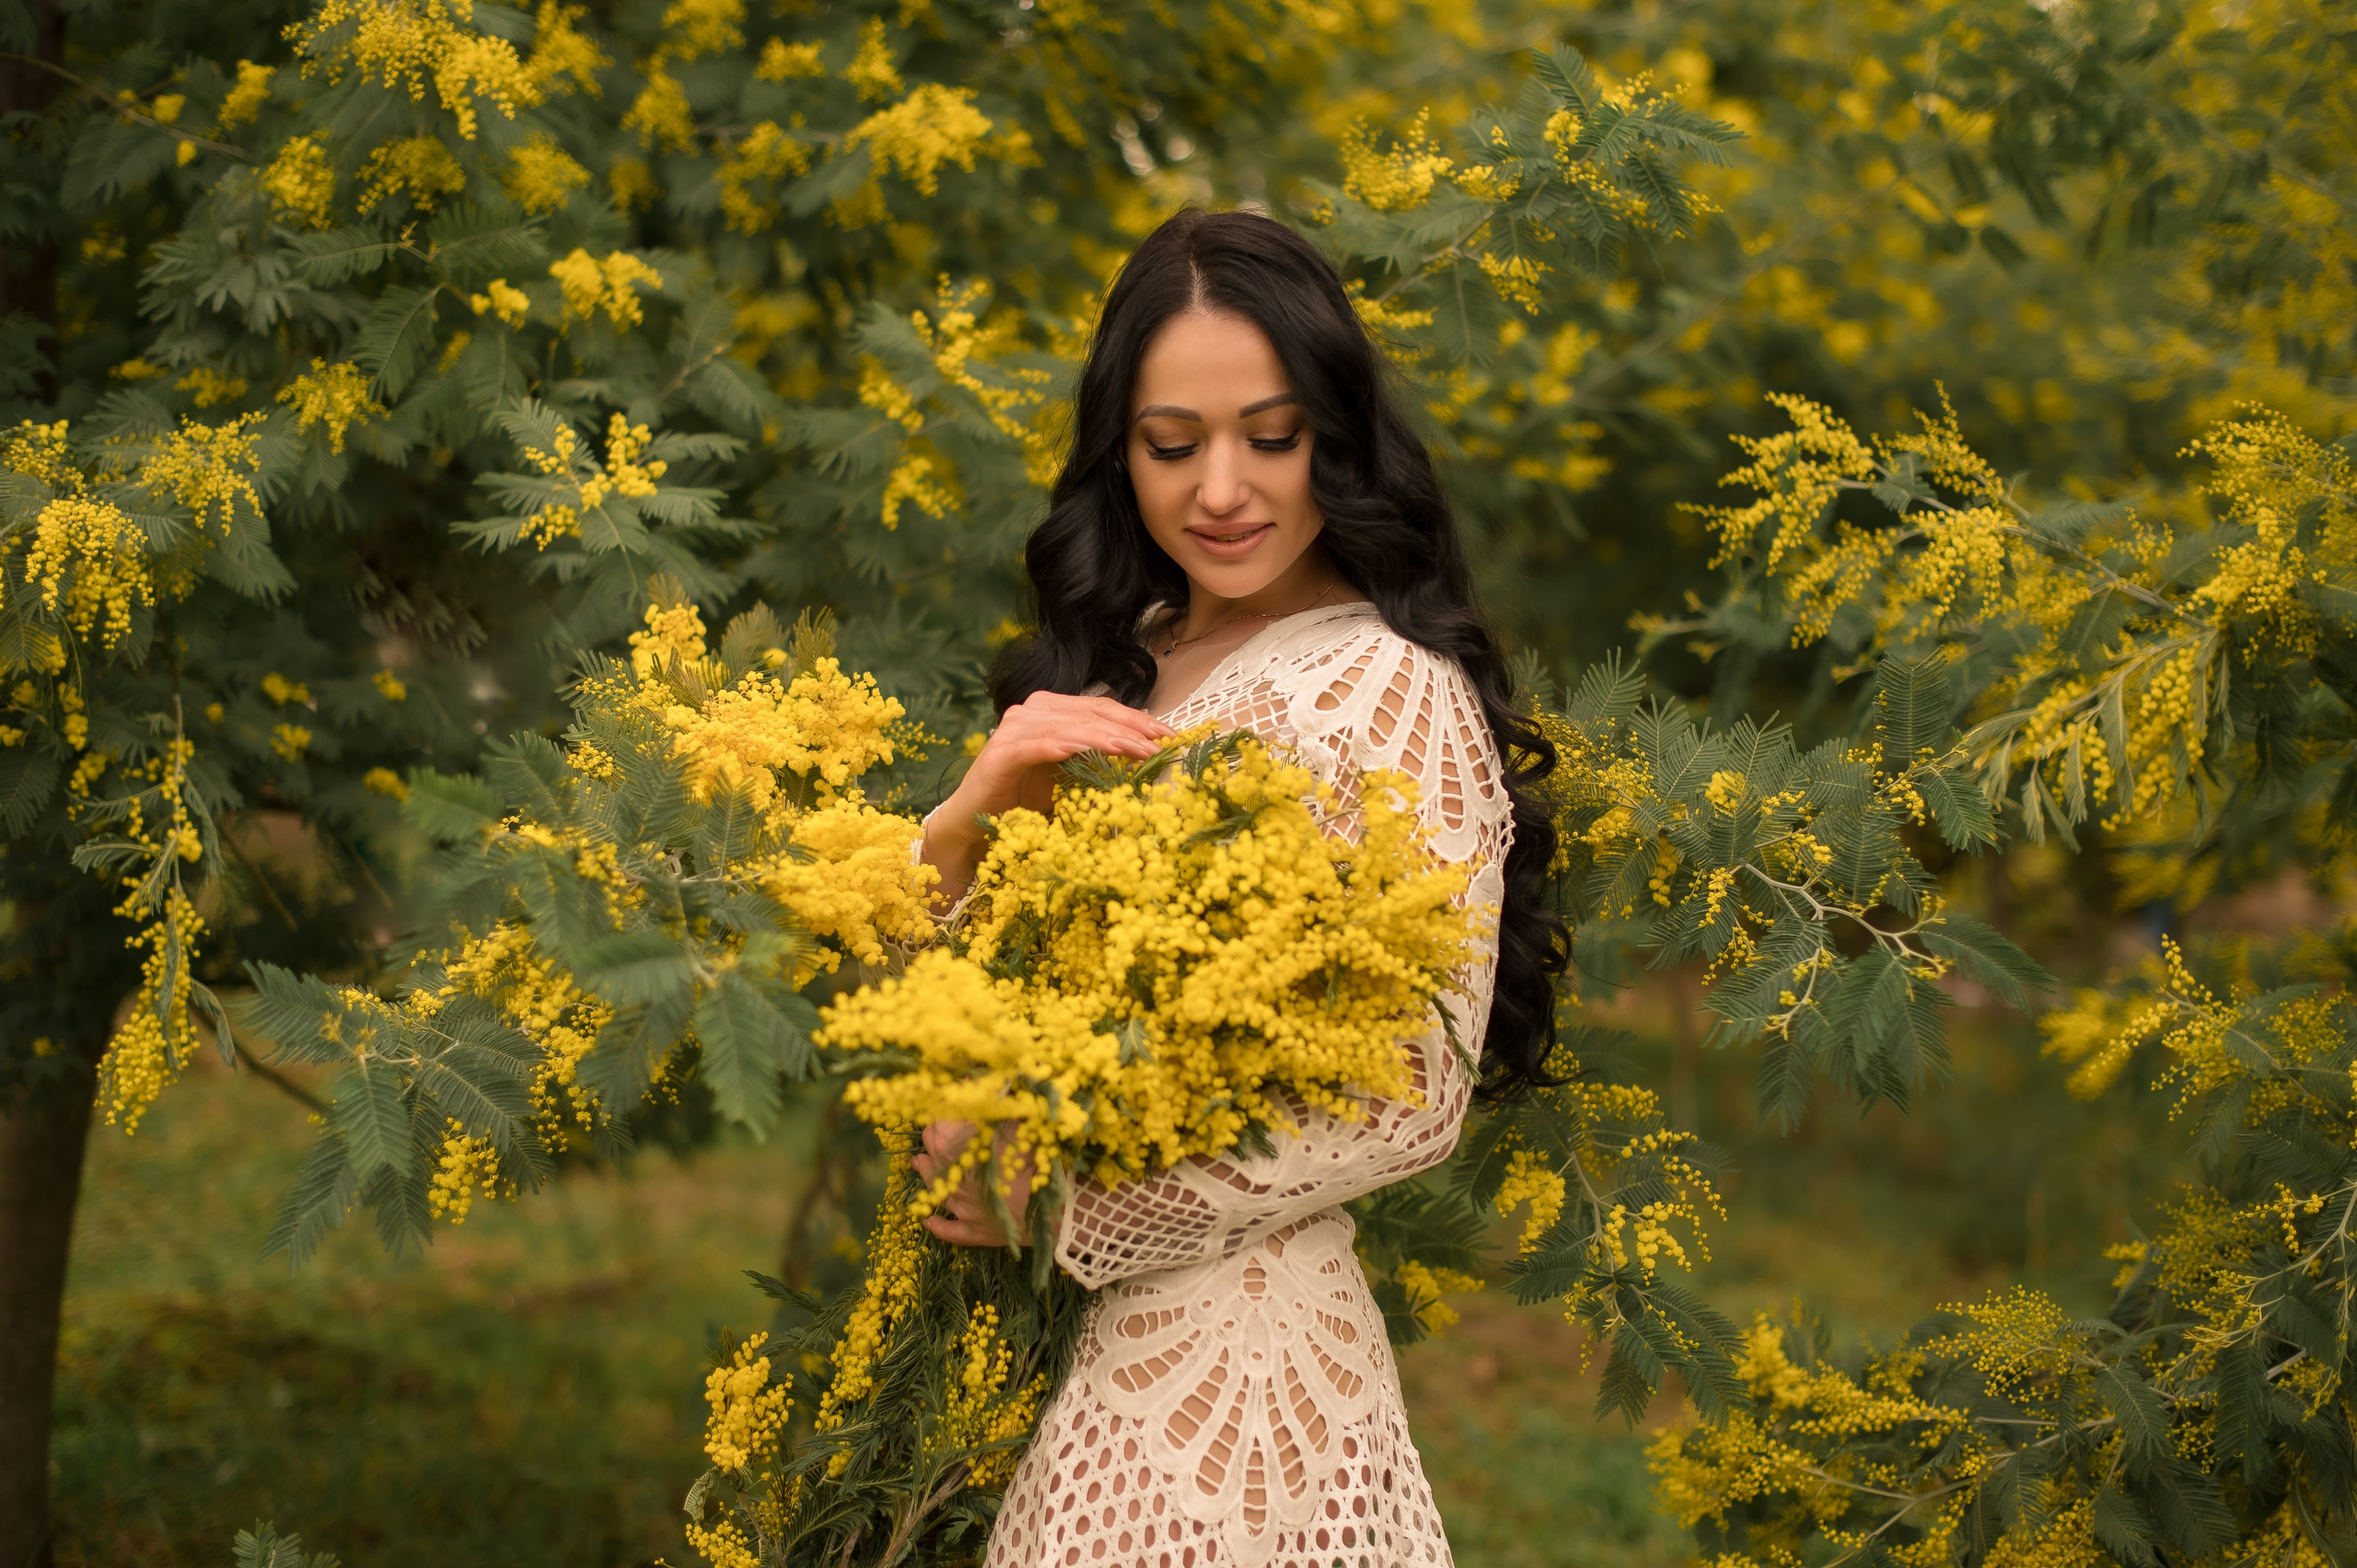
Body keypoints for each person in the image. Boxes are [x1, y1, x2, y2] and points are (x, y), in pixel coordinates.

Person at [911, 207, 1567, 1568]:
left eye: (1272, 438)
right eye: (1171, 445)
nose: (1222, 488)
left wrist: (1067, 1200)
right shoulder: (1124, 660)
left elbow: (1407, 1096)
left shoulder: (1385, 693)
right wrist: (970, 821)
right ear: (1118, 451)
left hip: (1228, 1366)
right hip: (1010, 1349)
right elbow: (946, 1004)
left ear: (1338, 431)